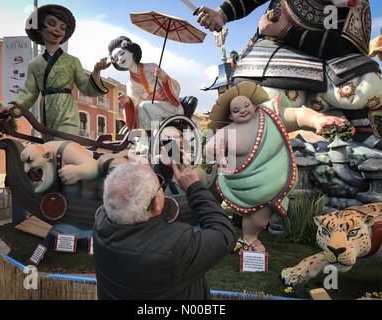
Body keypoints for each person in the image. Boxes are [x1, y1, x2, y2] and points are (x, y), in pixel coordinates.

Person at [196, 0, 382, 142]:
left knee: (366, 83)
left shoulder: (355, 6)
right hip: (276, 56)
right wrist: (221, 14)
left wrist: (286, 31)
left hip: (330, 64)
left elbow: (348, 46)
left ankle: (360, 143)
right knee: (257, 98)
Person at [205, 82, 346, 252]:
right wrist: (215, 143)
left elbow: (297, 115)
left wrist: (317, 118)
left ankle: (250, 238)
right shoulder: (228, 131)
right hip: (240, 183)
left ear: (254, 105)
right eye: (236, 110)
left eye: (246, 105)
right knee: (227, 209)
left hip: (269, 184)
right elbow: (210, 150)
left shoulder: (269, 114)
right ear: (230, 116)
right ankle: (237, 235)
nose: (243, 110)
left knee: (260, 219)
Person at [93, 163, 236, 299]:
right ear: (156, 205)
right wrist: (195, 188)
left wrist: (163, 168)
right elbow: (223, 233)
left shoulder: (100, 224)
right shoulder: (175, 248)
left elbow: (139, 199)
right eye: (160, 187)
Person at [0, 4, 110, 142]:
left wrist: (96, 71)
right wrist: (10, 107)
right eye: (51, 23)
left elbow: (86, 87)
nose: (57, 30)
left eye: (62, 27)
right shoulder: (34, 64)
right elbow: (28, 93)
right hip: (47, 114)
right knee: (50, 152)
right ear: (40, 28)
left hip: (68, 111)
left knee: (62, 147)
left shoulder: (72, 61)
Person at [108, 36, 184, 131]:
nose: (120, 58)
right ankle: (146, 139)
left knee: (144, 106)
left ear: (131, 52)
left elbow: (175, 88)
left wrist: (163, 78)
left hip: (171, 108)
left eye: (122, 53)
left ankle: (153, 137)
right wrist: (127, 102)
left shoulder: (152, 67)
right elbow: (135, 107)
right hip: (151, 112)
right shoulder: (130, 84)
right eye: (116, 58)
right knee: (138, 109)